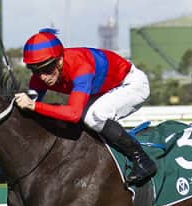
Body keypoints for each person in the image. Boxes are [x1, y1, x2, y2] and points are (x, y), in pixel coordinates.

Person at [14, 28, 156, 186]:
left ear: (59, 60)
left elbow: (73, 113)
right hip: (103, 90)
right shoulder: (41, 76)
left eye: (47, 68)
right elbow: (29, 108)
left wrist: (33, 105)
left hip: (132, 84)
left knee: (94, 116)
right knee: (77, 117)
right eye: (36, 70)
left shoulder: (81, 66)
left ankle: (142, 159)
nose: (42, 77)